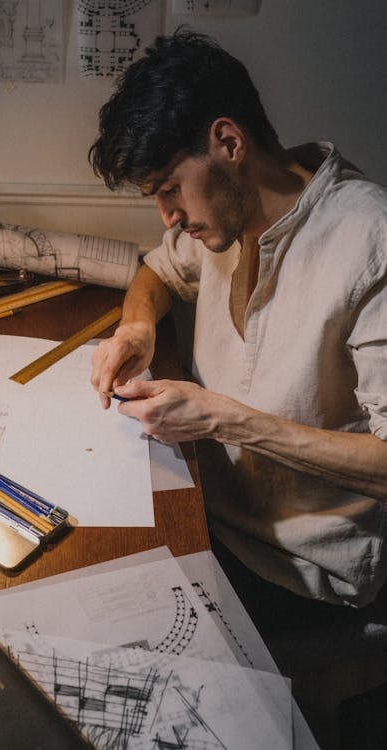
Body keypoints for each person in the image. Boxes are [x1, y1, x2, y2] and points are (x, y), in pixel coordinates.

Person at [88, 28, 387, 636]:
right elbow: (154, 269)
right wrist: (137, 327)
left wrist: (224, 419)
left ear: (228, 141)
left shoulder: (369, 241)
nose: (169, 216)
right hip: (205, 510)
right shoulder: (223, 217)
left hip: (302, 570)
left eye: (170, 188)